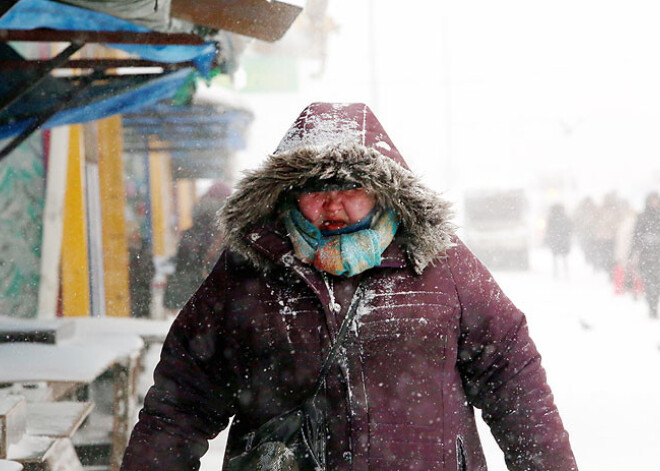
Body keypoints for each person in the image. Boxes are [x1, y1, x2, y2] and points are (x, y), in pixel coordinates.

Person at [120, 103, 578, 471]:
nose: (332, 203)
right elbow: (180, 402)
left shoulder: (441, 262)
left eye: (351, 186)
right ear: (287, 192)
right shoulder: (248, 269)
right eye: (314, 187)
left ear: (384, 191)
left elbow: (515, 379)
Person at [631, 191, 660, 318]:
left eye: (656, 200)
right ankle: (652, 306)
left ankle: (655, 303)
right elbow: (636, 235)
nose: (654, 203)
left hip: (658, 256)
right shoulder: (642, 217)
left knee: (657, 283)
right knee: (649, 284)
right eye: (652, 200)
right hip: (646, 257)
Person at [544, 203, 573, 279]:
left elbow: (548, 229)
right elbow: (570, 228)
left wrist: (549, 238)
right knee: (564, 257)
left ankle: (556, 272)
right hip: (563, 239)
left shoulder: (551, 218)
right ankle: (566, 272)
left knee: (555, 257)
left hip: (555, 240)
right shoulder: (565, 217)